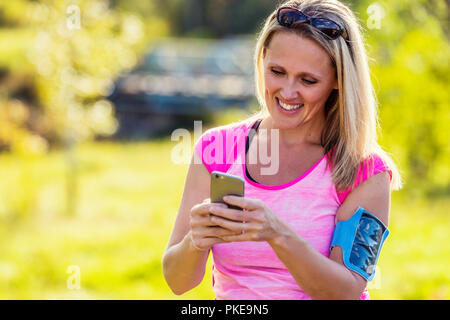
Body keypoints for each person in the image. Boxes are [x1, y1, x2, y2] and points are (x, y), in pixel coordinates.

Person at [162, 0, 402, 300]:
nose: (288, 92)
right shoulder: (217, 149)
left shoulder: (364, 169)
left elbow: (346, 292)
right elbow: (177, 281)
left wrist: (278, 233)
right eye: (277, 71)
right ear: (262, 60)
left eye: (308, 80)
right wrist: (195, 242)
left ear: (339, 81)